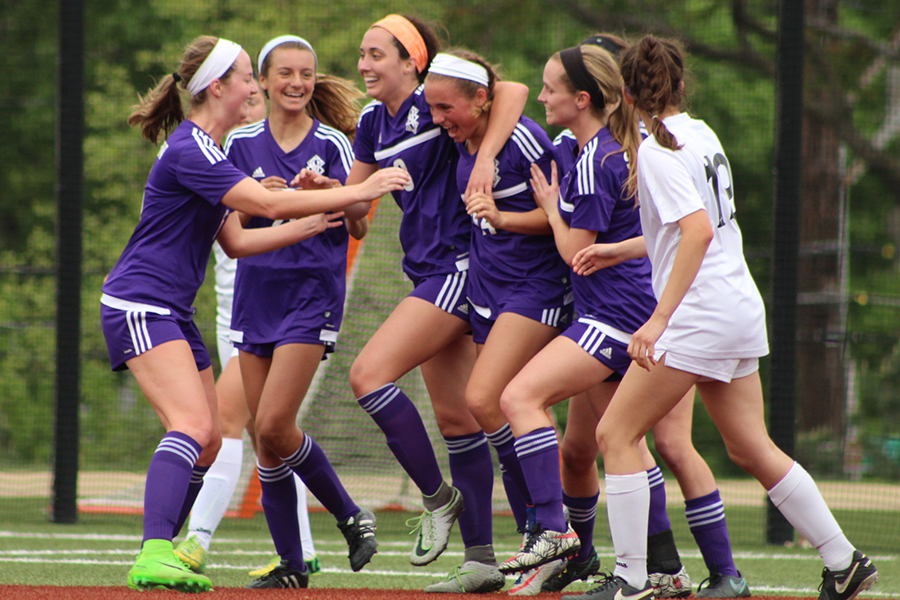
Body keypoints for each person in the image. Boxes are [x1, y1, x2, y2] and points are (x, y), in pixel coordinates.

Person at [571, 34, 879, 600]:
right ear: (680, 84)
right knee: (750, 446)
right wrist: (619, 250)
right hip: (737, 307)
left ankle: (632, 579)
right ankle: (844, 560)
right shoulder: (699, 132)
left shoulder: (657, 152)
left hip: (697, 315)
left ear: (624, 96)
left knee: (613, 432)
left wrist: (659, 318)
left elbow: (696, 232)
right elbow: (685, 231)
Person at [100, 35, 409, 592]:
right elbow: (265, 205)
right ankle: (154, 551)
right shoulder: (195, 147)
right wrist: (358, 190)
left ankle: (167, 547)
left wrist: (309, 224)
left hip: (170, 309)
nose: (253, 85)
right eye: (248, 75)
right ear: (218, 87)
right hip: (140, 303)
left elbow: (239, 241)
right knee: (196, 426)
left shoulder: (210, 151)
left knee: (214, 438)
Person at [522, 35, 748, 599]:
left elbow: (583, 243)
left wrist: (547, 209)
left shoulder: (616, 153)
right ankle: (676, 570)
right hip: (654, 310)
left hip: (632, 315)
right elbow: (656, 236)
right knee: (614, 445)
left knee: (527, 403)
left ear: (593, 93)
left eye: (552, 87)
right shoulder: (636, 143)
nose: (543, 96)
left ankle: (565, 540)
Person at [348, 14, 530, 594]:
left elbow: (515, 92)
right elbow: (355, 218)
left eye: (377, 54)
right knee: (460, 420)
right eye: (362, 53)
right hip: (424, 271)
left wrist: (485, 158)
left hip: (459, 267)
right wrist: (326, 194)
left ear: (412, 62)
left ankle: (439, 500)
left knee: (368, 375)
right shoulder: (373, 122)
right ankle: (482, 561)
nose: (364, 65)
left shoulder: (437, 104)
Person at [222, 34, 374, 589]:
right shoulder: (238, 143)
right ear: (262, 81)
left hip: (311, 295)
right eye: (284, 73)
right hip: (256, 295)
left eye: (306, 74)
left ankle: (351, 515)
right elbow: (228, 233)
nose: (296, 83)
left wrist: (335, 191)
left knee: (275, 424)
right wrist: (256, 195)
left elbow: (358, 222)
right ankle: (291, 566)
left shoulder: (334, 142)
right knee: (266, 441)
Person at [422, 49, 572, 591]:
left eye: (447, 108)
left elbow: (562, 215)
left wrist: (503, 215)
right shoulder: (463, 136)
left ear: (480, 99)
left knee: (487, 399)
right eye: (432, 107)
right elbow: (496, 93)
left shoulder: (524, 138)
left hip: (535, 290)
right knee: (500, 412)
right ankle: (543, 538)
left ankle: (554, 532)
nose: (439, 118)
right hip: (492, 292)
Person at [174, 77, 322, 579]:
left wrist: (345, 195)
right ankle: (303, 546)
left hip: (276, 313)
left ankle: (195, 540)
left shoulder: (261, 151)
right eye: (250, 93)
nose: (252, 105)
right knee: (268, 434)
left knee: (227, 423)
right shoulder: (218, 151)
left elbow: (287, 215)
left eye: (257, 97)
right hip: (232, 312)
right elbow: (230, 232)